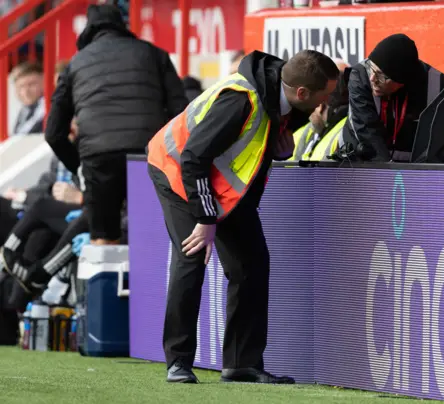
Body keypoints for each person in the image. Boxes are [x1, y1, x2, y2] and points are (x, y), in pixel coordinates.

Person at [147, 49, 338, 384]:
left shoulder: (284, 92)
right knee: (192, 258)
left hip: (218, 184)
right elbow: (193, 157)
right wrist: (206, 219)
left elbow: (247, 151)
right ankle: (178, 362)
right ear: (303, 94)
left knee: (250, 264)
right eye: (326, 97)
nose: (328, 105)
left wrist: (278, 150)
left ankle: (241, 364)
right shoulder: (240, 101)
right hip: (177, 173)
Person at [44, 4, 187, 247]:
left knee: (104, 240)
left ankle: (106, 283)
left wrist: (78, 164)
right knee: (153, 238)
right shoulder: (154, 54)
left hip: (98, 159)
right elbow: (182, 114)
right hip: (149, 155)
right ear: (122, 26)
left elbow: (53, 133)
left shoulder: (74, 65)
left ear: (88, 31)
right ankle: (150, 284)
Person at [342, 33, 444, 163]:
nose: (373, 78)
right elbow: (368, 132)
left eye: (382, 76)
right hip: (360, 163)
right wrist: (391, 178)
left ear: (401, 82)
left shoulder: (437, 85)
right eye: (371, 68)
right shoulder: (360, 77)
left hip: (412, 173)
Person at [11, 62, 45, 136]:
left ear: (44, 82)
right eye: (21, 86)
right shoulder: (24, 109)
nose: (26, 91)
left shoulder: (47, 105)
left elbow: (24, 135)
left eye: (31, 84)